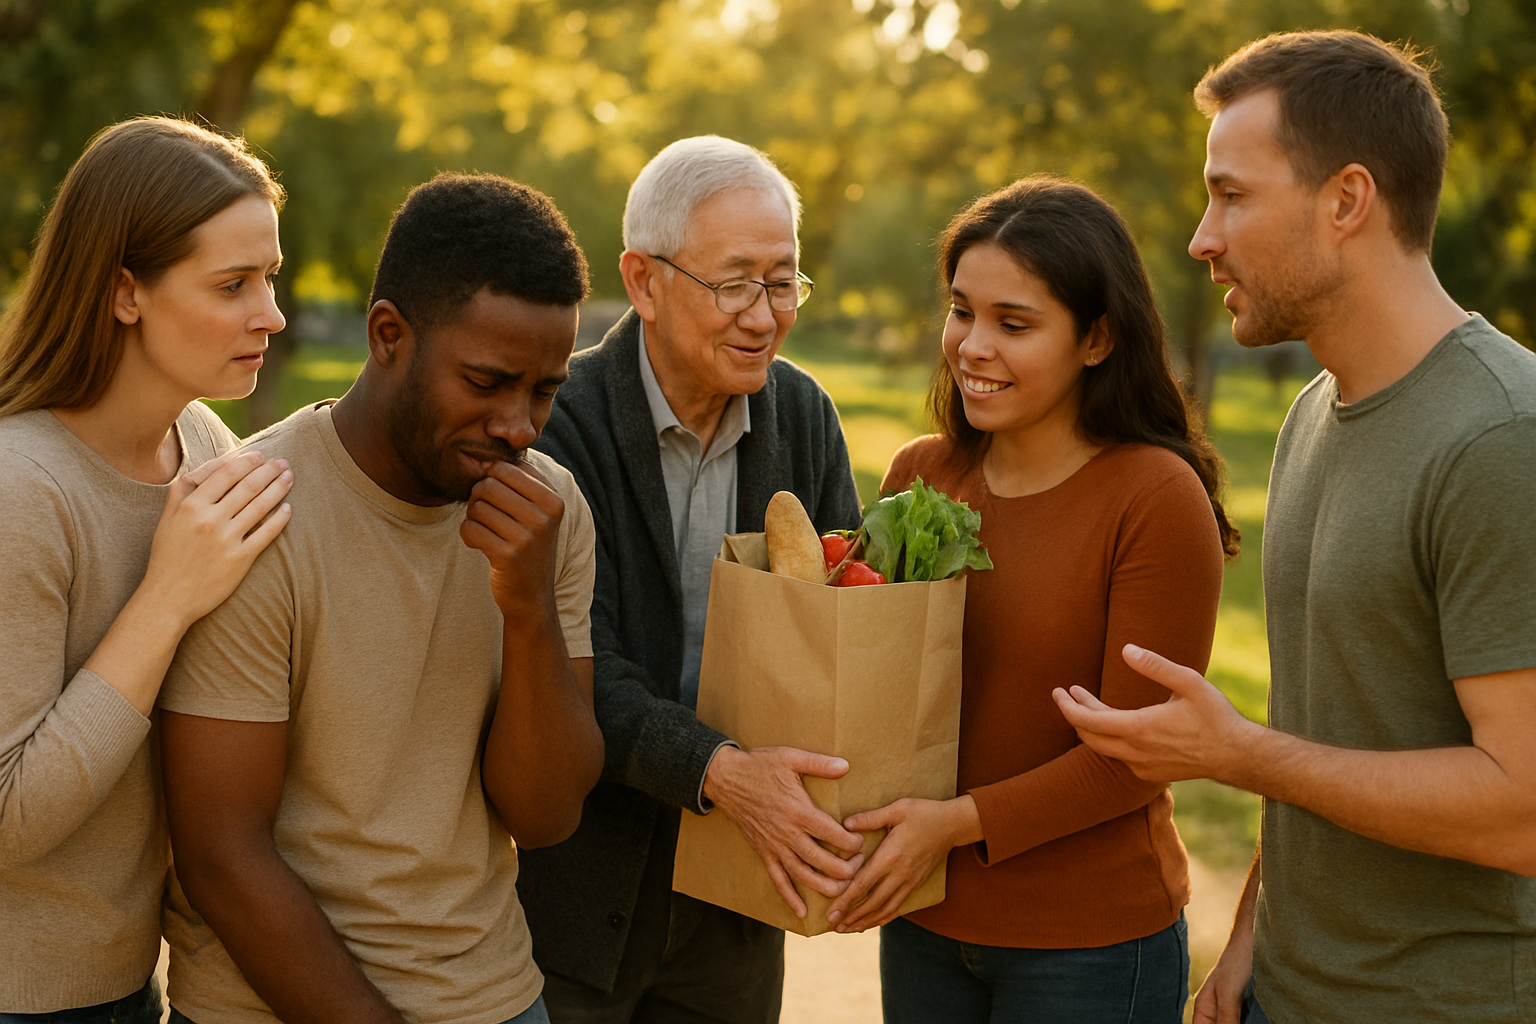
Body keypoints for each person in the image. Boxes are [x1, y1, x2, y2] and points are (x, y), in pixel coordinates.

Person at [1053, 30, 1536, 1024]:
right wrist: (1249, 938)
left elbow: (1523, 809)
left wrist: (1238, 755)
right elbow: (1331, 721)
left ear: (1347, 201)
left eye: (1231, 194)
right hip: (1289, 992)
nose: (1200, 235)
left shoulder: (1501, 437)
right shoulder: (1314, 411)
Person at [156, 172, 604, 1024]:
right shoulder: (256, 513)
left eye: (543, 391)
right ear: (389, 335)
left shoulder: (550, 511)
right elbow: (221, 853)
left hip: (494, 998)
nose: (519, 425)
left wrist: (529, 610)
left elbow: (544, 816)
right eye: (487, 381)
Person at [824, 176, 1235, 1023]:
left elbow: (1136, 754)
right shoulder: (920, 477)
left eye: (1014, 324)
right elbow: (882, 685)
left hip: (1088, 942)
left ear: (1097, 338)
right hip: (926, 916)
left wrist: (955, 823)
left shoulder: (1154, 496)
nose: (973, 345)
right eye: (961, 310)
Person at [517, 135, 864, 1023]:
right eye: (734, 283)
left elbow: (839, 632)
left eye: (781, 281)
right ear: (644, 282)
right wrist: (719, 769)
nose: (763, 315)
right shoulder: (562, 424)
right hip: (578, 892)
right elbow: (571, 663)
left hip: (742, 895)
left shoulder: (804, 415)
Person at [0, 117, 293, 1023]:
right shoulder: (21, 488)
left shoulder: (200, 442)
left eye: (270, 279)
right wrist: (166, 597)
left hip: (134, 984)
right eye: (232, 284)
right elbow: (9, 819)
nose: (272, 316)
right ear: (126, 292)